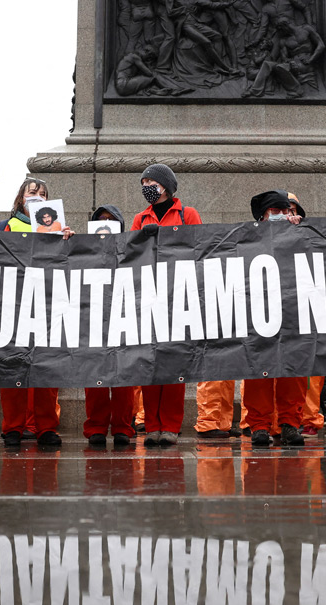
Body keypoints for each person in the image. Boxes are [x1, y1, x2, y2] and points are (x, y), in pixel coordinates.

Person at [0, 181, 75, 447]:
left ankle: (46, 427)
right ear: (21, 198)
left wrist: (69, 241)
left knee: (46, 368)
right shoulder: (6, 227)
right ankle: (13, 427)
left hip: (45, 305)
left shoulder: (56, 228)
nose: (38, 198)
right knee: (12, 367)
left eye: (43, 194)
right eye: (33, 193)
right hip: (13, 305)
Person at [131, 164, 202, 446]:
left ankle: (170, 426)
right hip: (149, 297)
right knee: (150, 364)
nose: (146, 186)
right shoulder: (140, 218)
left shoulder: (187, 214)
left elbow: (199, 247)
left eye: (150, 181)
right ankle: (152, 426)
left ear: (165, 186)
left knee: (174, 364)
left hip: (178, 297)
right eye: (143, 181)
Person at [242, 189, 306, 446]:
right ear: (262, 216)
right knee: (259, 371)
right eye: (275, 211)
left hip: (293, 311)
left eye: (284, 211)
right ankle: (259, 425)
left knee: (294, 370)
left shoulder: (298, 232)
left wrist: (298, 231)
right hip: (259, 312)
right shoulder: (246, 238)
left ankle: (290, 423)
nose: (281, 215)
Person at [82, 205, 138, 447]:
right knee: (95, 380)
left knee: (124, 380)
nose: (105, 223)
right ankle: (96, 427)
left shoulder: (133, 253)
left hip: (123, 321)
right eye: (101, 220)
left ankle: (123, 427)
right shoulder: (82, 254)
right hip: (93, 322)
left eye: (111, 220)